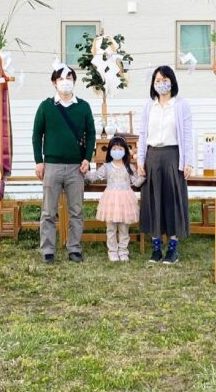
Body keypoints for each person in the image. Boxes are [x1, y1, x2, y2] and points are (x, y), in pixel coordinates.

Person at [32, 65, 97, 263]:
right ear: (54, 82)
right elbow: (37, 135)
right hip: (51, 165)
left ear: (74, 81)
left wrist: (87, 158)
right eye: (61, 78)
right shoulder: (46, 106)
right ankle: (47, 250)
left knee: (76, 211)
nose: (65, 81)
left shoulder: (83, 106)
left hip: (76, 167)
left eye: (69, 77)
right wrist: (39, 161)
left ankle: (74, 248)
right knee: (48, 211)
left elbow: (91, 133)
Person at [137, 65, 194, 264]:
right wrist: (140, 160)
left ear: (172, 81)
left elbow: (187, 135)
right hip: (152, 156)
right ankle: (155, 249)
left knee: (172, 201)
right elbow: (143, 134)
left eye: (165, 79)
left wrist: (188, 162)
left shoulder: (180, 105)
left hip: (173, 155)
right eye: (158, 80)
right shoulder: (148, 106)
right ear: (153, 84)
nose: (162, 84)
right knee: (153, 201)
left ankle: (172, 249)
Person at [85, 135, 144, 262]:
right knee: (111, 227)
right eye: (114, 148)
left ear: (125, 151)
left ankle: (123, 250)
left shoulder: (129, 167)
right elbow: (94, 177)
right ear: (110, 150)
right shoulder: (107, 167)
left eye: (120, 148)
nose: (117, 151)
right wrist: (85, 172)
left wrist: (143, 174)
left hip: (125, 201)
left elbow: (137, 182)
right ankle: (112, 251)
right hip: (111, 200)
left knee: (124, 227)